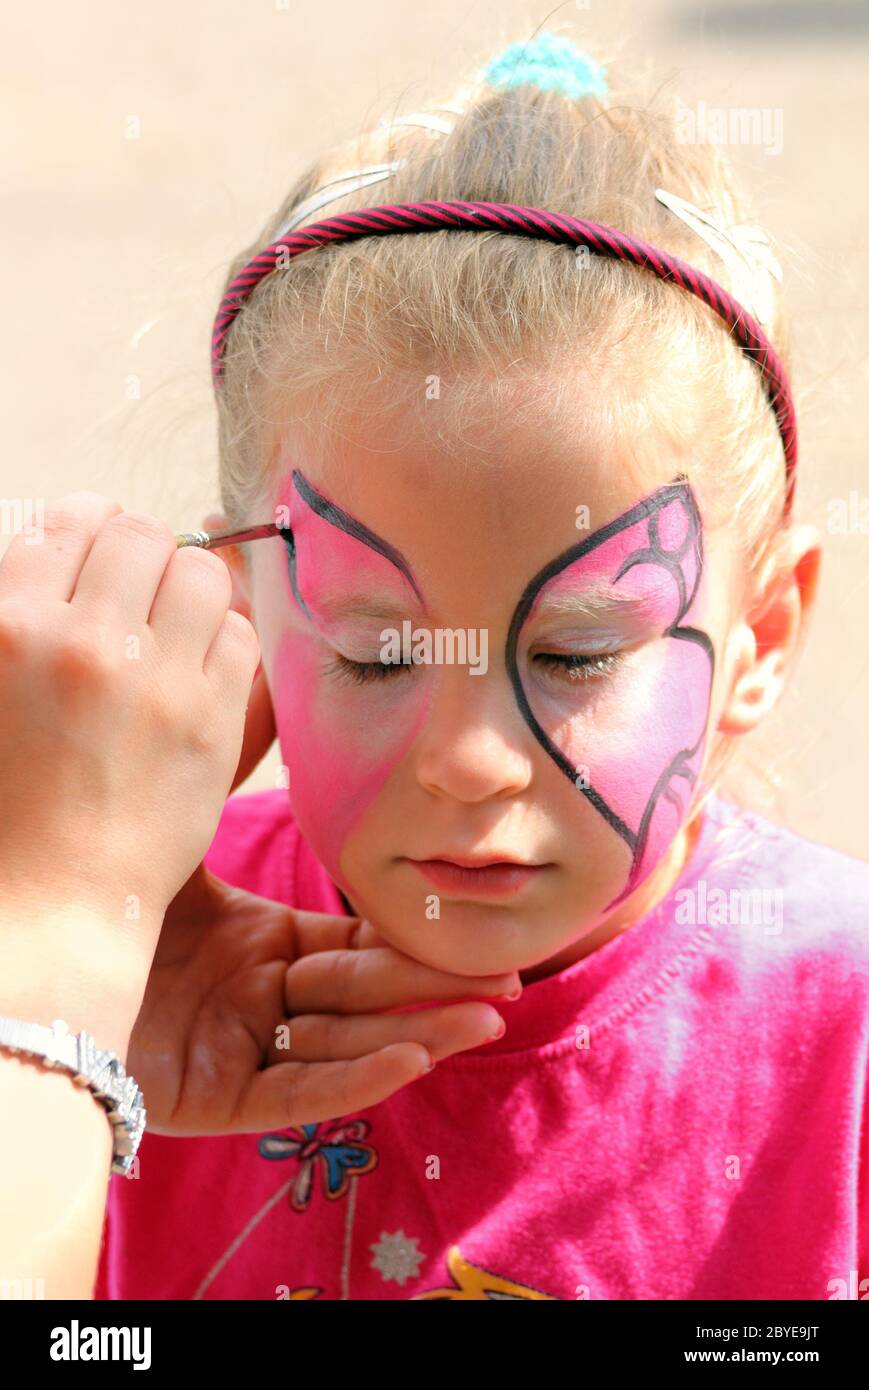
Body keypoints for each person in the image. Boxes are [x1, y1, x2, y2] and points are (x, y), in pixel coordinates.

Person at [3, 30, 868, 1301]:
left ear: (764, 636)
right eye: (373, 650)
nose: (468, 760)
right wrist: (57, 986)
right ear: (242, 608)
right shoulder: (99, 947)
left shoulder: (836, 1045)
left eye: (574, 652)